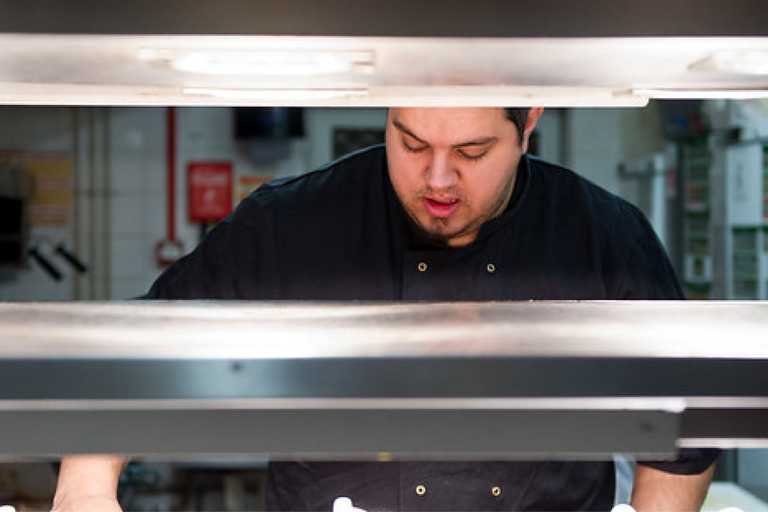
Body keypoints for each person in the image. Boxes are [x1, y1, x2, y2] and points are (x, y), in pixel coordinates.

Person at [52, 107, 717, 512]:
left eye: (471, 152)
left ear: (529, 123)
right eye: (411, 141)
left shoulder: (602, 233)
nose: (436, 179)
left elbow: (686, 429)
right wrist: (84, 488)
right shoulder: (292, 224)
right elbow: (143, 347)